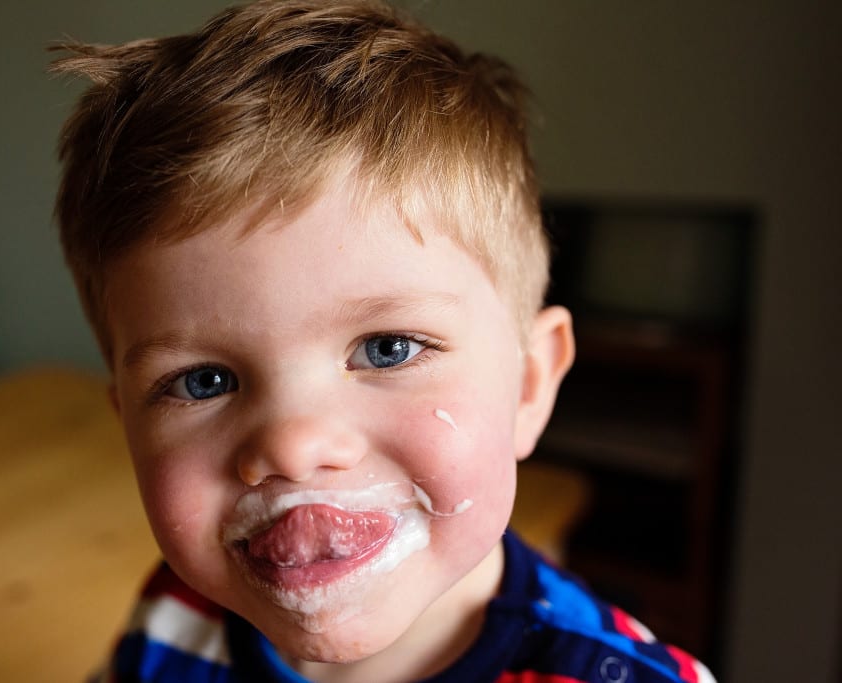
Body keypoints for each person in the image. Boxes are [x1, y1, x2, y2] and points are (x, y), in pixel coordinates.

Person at [50, 1, 715, 681]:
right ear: (128, 424)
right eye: (204, 381)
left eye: (386, 347)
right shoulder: (176, 622)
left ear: (529, 384)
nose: (293, 445)